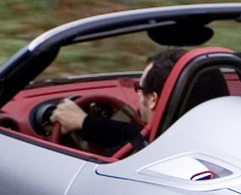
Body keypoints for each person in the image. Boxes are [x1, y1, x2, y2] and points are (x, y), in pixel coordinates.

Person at [49, 46, 186, 153]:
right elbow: (130, 133)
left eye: (139, 86)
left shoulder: (148, 150)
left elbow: (136, 139)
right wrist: (89, 124)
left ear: (152, 99)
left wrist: (84, 122)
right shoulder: (190, 133)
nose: (137, 93)